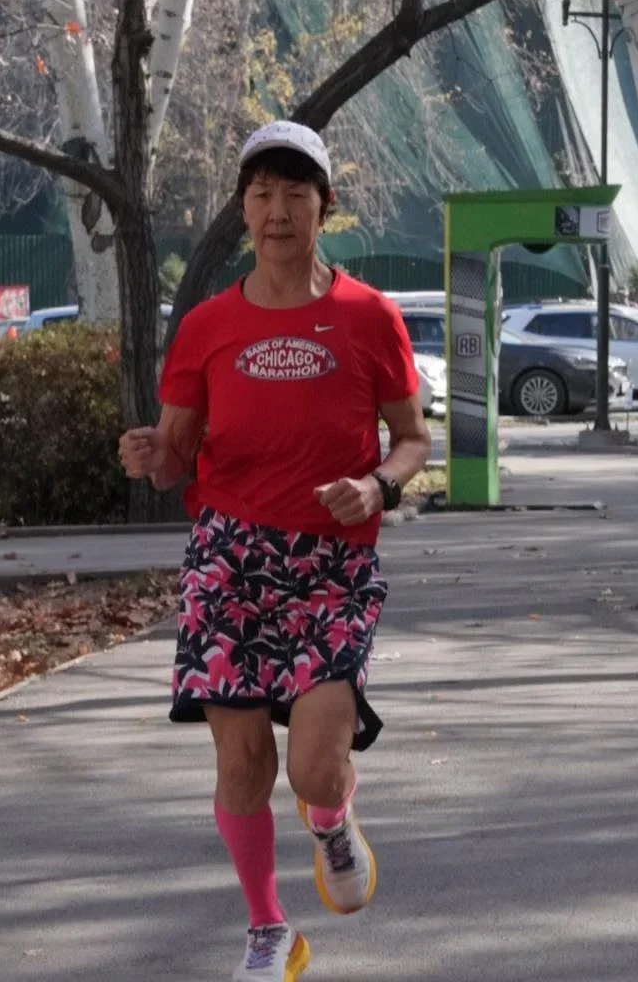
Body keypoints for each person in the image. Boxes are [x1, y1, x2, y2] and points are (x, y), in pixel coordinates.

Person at [119, 121, 431, 982]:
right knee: (242, 760)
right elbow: (177, 456)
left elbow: (413, 438)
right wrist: (153, 454)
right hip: (228, 558)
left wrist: (379, 485)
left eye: (296, 194)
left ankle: (331, 820)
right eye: (262, 194)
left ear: (325, 208)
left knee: (315, 772)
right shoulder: (208, 326)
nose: (278, 211)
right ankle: (270, 932)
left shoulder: (370, 317)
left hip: (331, 564)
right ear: (243, 209)